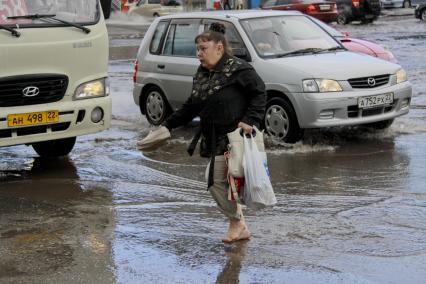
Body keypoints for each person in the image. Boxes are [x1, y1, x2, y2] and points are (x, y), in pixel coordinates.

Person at [138, 23, 266, 243]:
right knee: (220, 182)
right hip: (214, 137)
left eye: (203, 49)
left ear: (219, 48)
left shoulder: (239, 69)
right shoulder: (202, 73)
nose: (199, 54)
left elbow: (259, 93)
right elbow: (192, 106)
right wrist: (167, 127)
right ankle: (238, 223)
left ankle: (238, 224)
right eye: (197, 49)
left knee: (218, 180)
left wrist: (249, 120)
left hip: (237, 137)